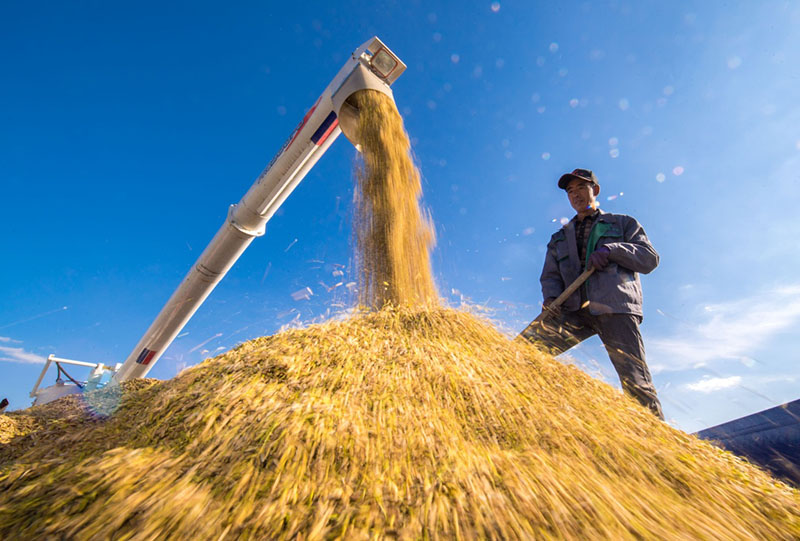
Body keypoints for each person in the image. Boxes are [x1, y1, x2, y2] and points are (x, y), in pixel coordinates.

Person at [522, 168, 664, 419]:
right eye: (570, 191)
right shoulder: (559, 238)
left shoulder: (622, 224)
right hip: (572, 309)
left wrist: (613, 250)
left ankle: (659, 441)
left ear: (595, 190)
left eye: (581, 188)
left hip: (614, 307)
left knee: (635, 381)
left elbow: (649, 259)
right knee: (523, 351)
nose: (575, 195)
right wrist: (551, 299)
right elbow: (550, 276)